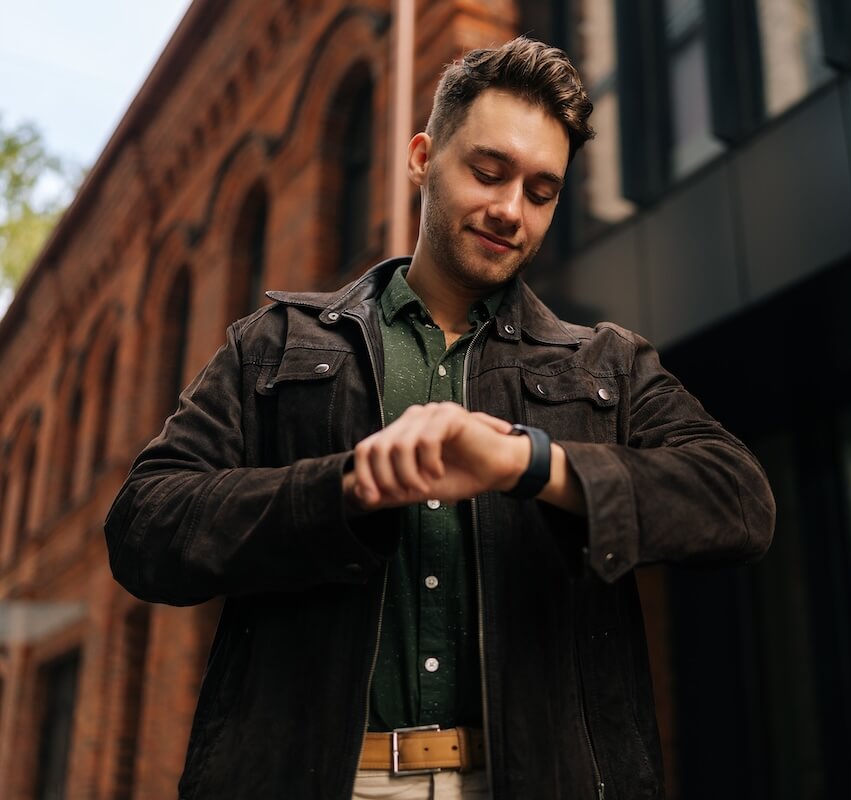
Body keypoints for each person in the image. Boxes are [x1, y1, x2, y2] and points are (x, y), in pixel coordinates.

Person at [105, 36, 774, 800]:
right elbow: (143, 527)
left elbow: (740, 502)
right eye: (488, 172)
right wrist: (344, 488)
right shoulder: (273, 344)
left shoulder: (606, 365)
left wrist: (532, 463)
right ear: (423, 156)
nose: (510, 210)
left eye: (541, 191)